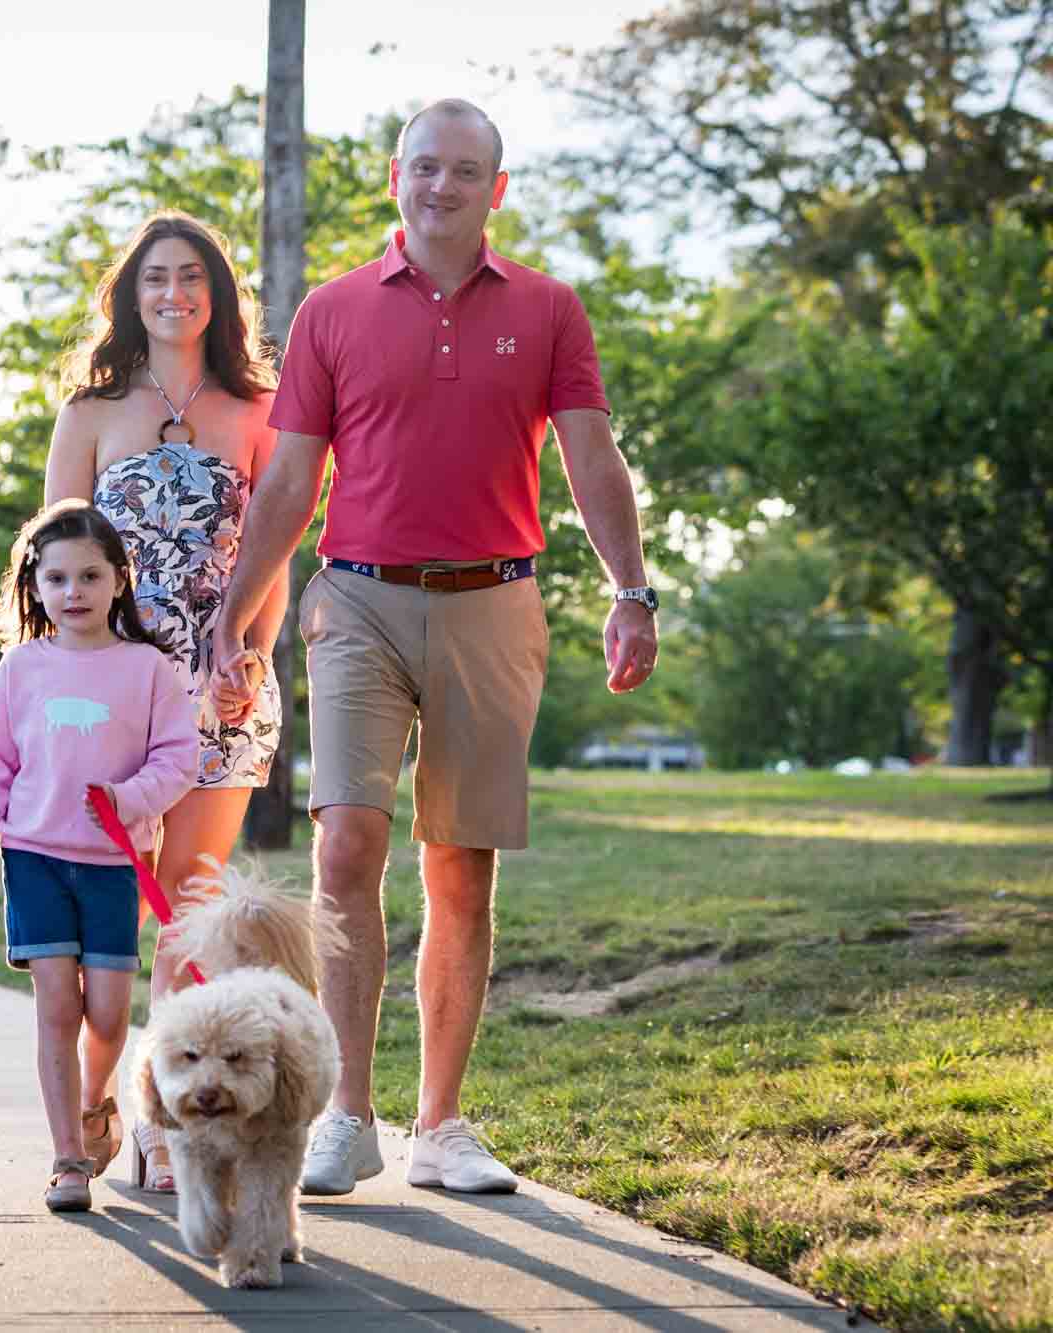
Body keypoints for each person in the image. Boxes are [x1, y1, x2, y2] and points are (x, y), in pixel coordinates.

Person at [212, 99, 661, 1197]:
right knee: (345, 845)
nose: (441, 186)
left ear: (493, 190)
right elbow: (288, 481)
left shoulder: (549, 311)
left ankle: (440, 1125)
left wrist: (630, 589)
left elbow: (590, 457)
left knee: (459, 869)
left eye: (465, 171)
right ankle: (345, 1116)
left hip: (492, 602)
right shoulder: (330, 311)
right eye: (424, 167)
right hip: (357, 598)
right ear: (394, 178)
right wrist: (234, 614)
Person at [43, 210, 286, 1195]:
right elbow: (54, 552)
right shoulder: (91, 410)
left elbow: (276, 547)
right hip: (113, 682)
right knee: (112, 898)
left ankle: (157, 1116)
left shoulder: (258, 409)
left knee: (186, 905)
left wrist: (252, 655)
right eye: (154, 278)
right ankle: (95, 1112)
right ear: (129, 294)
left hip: (222, 683)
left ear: (215, 293)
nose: (173, 293)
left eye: (191, 276)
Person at [0, 499, 200, 1214]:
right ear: (34, 586)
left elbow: (178, 757)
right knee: (58, 1006)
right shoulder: (20, 668)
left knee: (111, 1016)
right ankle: (67, 1154)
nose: (74, 592)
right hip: (33, 852)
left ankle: (96, 1102)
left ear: (119, 580)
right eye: (57, 578)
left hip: (114, 860)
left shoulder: (147, 669)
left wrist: (130, 798)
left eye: (90, 575)